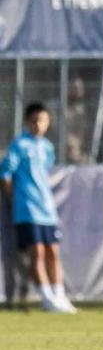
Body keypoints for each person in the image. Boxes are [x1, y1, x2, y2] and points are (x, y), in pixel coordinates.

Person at [0, 102, 77, 314]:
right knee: (38, 252)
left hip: (47, 208)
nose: (39, 125)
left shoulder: (47, 147)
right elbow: (5, 174)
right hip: (27, 208)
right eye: (34, 120)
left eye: (42, 120)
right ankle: (46, 297)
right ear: (27, 121)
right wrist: (14, 200)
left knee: (53, 251)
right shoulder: (19, 145)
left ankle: (59, 294)